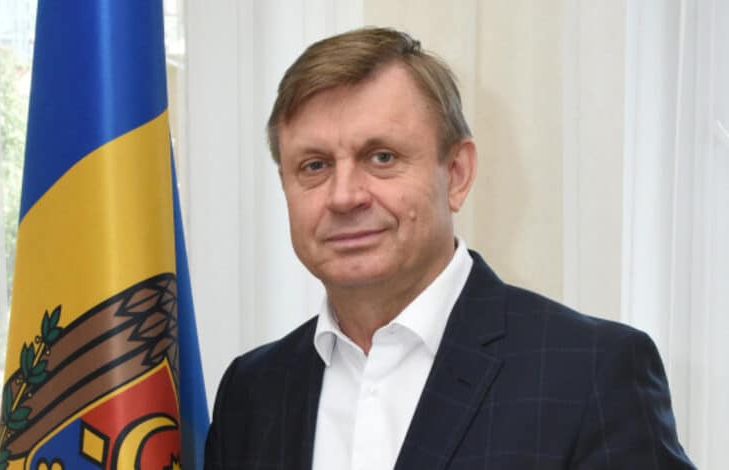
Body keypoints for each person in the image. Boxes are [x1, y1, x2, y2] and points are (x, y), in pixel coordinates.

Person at [204, 27, 694, 469]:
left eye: (381, 157)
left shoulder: (589, 374)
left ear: (456, 174)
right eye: (314, 166)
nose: (344, 196)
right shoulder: (251, 393)